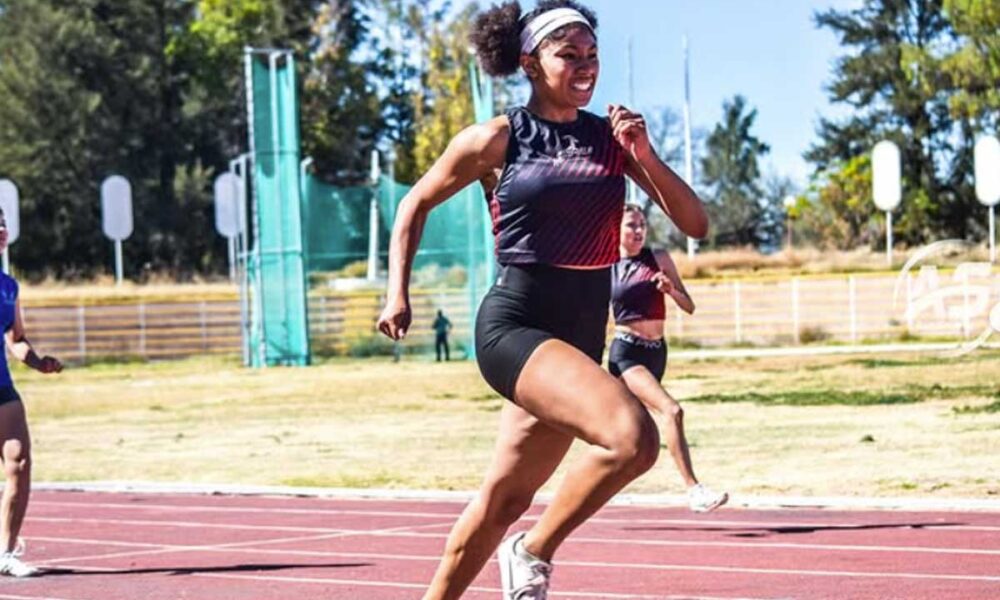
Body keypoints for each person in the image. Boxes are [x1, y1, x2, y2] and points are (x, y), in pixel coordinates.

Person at [376, 2, 708, 598]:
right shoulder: (497, 137)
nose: (585, 66)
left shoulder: (612, 139)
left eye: (592, 55)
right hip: (517, 326)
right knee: (634, 438)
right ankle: (532, 550)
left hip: (580, 334)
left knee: (504, 499)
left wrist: (644, 153)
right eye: (568, 55)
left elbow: (695, 222)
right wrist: (396, 291)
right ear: (529, 62)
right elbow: (413, 204)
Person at [610, 204, 728, 513]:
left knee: (631, 437)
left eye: (642, 226)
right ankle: (695, 491)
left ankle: (593, 488)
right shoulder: (605, 266)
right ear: (616, 230)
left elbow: (688, 305)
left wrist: (670, 289)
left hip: (657, 352)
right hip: (626, 352)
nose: (638, 232)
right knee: (671, 411)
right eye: (630, 226)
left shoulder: (658, 257)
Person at [0, 208, 63, 577]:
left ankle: (5, 554)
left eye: (4, 223)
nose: (1, 229)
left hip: (2, 387)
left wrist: (39, 362)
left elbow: (16, 338)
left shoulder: (8, 286)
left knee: (19, 463)